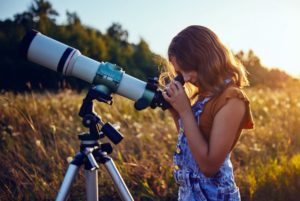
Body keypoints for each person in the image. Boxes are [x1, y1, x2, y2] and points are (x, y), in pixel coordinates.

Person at [160, 25, 254, 201]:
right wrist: (177, 114)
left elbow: (208, 166)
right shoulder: (204, 96)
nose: (185, 78)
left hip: (215, 196)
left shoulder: (232, 99)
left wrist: (186, 112)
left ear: (204, 59)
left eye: (187, 69)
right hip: (190, 195)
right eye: (179, 73)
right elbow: (191, 147)